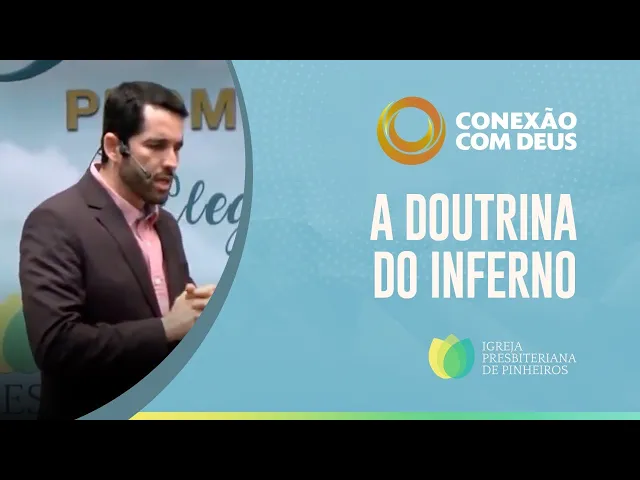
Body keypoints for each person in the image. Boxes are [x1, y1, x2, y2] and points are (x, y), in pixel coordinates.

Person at [18, 81, 215, 420]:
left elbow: (179, 323)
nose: (172, 162)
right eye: (156, 146)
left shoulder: (166, 225)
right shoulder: (55, 221)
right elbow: (55, 346)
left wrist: (205, 315)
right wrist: (166, 328)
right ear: (113, 147)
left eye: (177, 147)